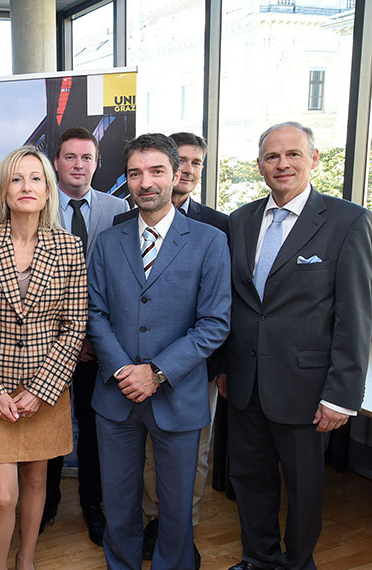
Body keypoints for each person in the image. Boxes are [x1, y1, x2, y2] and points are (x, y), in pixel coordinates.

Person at [222, 122, 372, 570]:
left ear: (314, 159)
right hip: (245, 383)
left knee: (304, 488)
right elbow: (240, 305)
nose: (282, 164)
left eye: (292, 155)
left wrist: (341, 396)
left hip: (307, 390)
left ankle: (298, 563)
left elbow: (355, 316)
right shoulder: (241, 220)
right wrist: (228, 367)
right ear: (260, 166)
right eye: (272, 157)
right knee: (250, 481)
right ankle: (258, 560)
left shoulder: (348, 221)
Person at [87, 133, 230, 570]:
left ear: (176, 174)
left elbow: (215, 323)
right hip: (116, 395)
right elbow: (94, 312)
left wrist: (157, 372)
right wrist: (124, 370)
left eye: (155, 171)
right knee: (120, 500)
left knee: (176, 505)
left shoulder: (209, 240)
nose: (144, 182)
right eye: (134, 173)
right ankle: (122, 564)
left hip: (179, 395)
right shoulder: (109, 241)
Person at [0, 145, 87, 570]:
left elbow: (74, 327)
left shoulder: (68, 248)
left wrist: (42, 389)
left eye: (35, 178)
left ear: (49, 191)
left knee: (35, 481)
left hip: (44, 394)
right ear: (3, 190)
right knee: (4, 493)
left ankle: (25, 558)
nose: (26, 186)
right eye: (16, 178)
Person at [43, 126, 129, 546]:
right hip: (48, 344)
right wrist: (66, 339)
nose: (79, 165)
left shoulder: (118, 209)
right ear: (56, 162)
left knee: (95, 429)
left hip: (102, 345)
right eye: (70, 157)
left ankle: (93, 505)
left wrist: (93, 337)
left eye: (86, 158)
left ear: (97, 163)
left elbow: (124, 282)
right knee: (51, 426)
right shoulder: (36, 205)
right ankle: (47, 500)